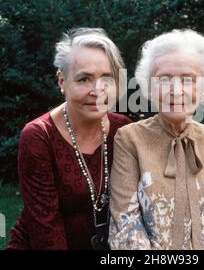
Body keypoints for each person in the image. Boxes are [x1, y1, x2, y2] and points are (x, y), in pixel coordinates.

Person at [109, 29, 204, 250]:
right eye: (164, 79)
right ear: (150, 87)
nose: (176, 90)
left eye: (188, 79)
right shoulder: (129, 138)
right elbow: (126, 229)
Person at [7, 28, 131, 250]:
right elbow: (45, 228)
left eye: (107, 78)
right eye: (84, 79)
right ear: (62, 81)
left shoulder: (123, 129)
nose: (97, 90)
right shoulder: (39, 136)